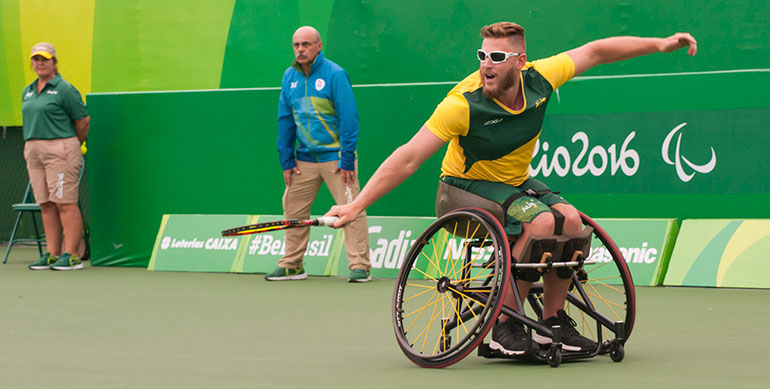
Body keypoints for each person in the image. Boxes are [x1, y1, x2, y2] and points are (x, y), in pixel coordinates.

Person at [328, 22, 697, 352]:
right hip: (460, 190)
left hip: (513, 185)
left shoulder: (541, 78)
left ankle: (552, 321)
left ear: (520, 61)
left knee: (569, 222)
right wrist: (356, 205)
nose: (486, 64)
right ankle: (505, 323)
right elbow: (409, 157)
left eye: (497, 56)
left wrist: (660, 45)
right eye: (482, 55)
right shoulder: (462, 105)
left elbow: (596, 51)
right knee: (539, 222)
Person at [267, 26, 371, 282]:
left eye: (306, 44)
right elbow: (285, 120)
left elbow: (349, 118)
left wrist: (347, 158)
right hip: (303, 160)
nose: (300, 50)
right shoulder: (289, 76)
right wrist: (286, 160)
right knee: (292, 209)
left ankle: (360, 267)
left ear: (318, 46)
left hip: (337, 159)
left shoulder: (335, 74)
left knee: (351, 208)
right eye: (296, 45)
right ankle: (292, 265)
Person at [22, 42, 90, 271]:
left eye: (44, 59)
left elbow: (83, 120)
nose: (39, 63)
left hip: (61, 148)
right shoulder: (28, 90)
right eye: (36, 59)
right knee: (46, 204)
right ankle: (53, 254)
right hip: (33, 150)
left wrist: (72, 145)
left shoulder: (64, 89)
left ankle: (71, 255)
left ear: (54, 62)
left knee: (65, 203)